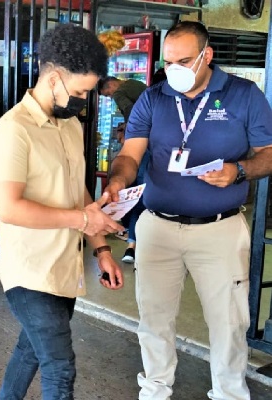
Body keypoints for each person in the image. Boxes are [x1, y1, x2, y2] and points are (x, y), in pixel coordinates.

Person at [106, 21, 272, 400]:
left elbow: (268, 154)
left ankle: (230, 392)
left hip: (220, 229)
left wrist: (239, 171)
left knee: (228, 321)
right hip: (158, 226)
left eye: (183, 60)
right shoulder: (154, 97)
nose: (173, 70)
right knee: (153, 317)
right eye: (168, 62)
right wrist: (117, 181)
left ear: (206, 56)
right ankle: (155, 388)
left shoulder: (244, 95)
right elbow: (130, 154)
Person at [0, 24, 124, 400]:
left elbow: (78, 192)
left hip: (64, 267)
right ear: (53, 78)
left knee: (30, 351)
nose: (84, 99)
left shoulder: (70, 126)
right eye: (80, 91)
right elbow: (9, 208)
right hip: (30, 272)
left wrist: (101, 248)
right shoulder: (14, 130)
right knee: (59, 369)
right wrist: (83, 221)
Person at [98, 76, 149, 264]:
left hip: (142, 146)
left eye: (108, 94)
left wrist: (129, 130)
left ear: (111, 86)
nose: (111, 97)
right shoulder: (134, 84)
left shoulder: (120, 92)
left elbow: (130, 111)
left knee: (136, 194)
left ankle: (132, 242)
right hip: (152, 144)